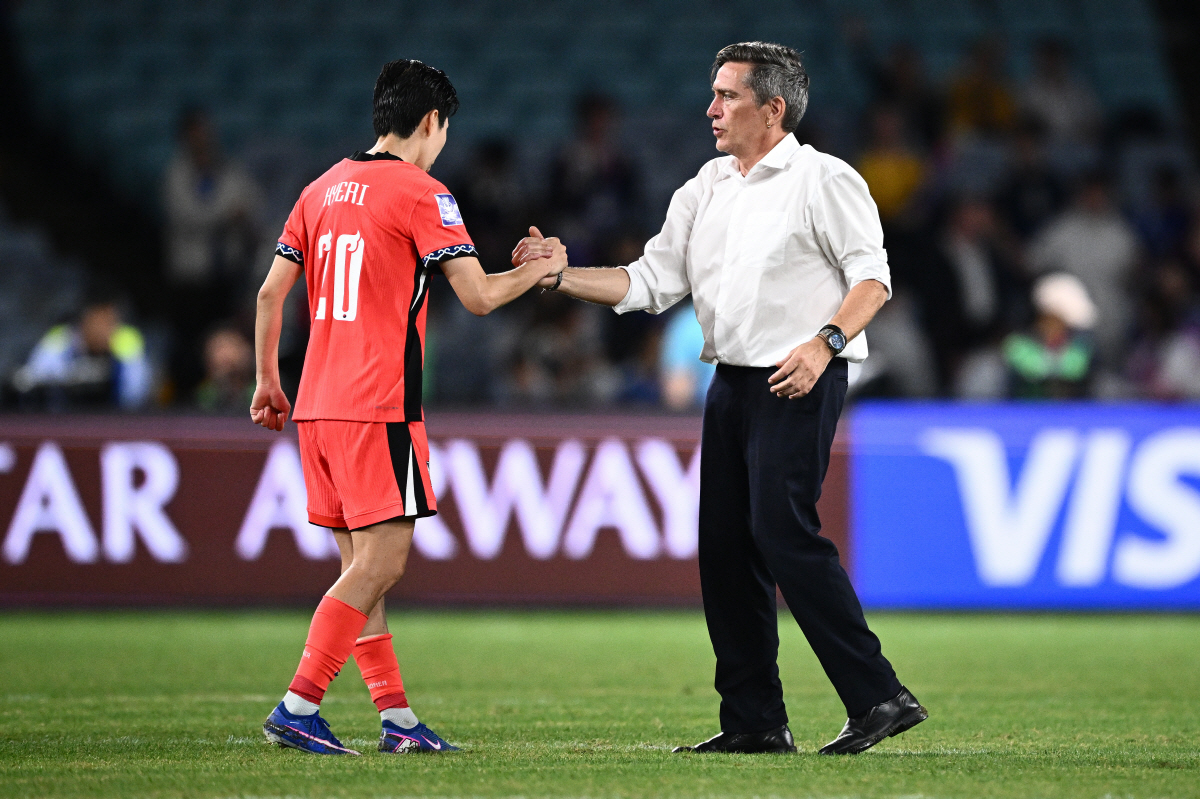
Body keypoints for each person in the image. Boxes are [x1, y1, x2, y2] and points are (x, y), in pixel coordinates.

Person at [513, 41, 925, 755]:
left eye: (727, 96)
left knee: (781, 529)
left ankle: (879, 694)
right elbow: (649, 281)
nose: (711, 109)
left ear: (773, 108)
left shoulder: (825, 179)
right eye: (713, 94)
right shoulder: (705, 186)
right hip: (731, 381)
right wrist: (561, 275)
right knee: (727, 550)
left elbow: (873, 279)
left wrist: (823, 342)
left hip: (799, 374)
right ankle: (755, 721)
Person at [250, 59, 565, 756]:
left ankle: (397, 721)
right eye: (445, 130)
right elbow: (479, 297)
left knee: (362, 572)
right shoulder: (424, 193)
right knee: (381, 564)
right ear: (432, 122)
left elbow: (272, 294)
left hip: (316, 407)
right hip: (378, 404)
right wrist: (540, 270)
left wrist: (269, 381)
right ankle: (299, 703)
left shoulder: (320, 189)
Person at [164, 109, 263, 397]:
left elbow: (251, 201)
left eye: (205, 133)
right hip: (189, 278)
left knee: (225, 340)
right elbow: (186, 215)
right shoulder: (176, 174)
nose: (202, 139)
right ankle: (187, 399)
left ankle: (226, 397)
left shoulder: (227, 169)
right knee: (189, 344)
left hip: (225, 275)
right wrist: (226, 212)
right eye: (195, 134)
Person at [12, 295, 150, 411]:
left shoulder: (126, 339)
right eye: (100, 321)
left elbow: (136, 394)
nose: (105, 329)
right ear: (85, 320)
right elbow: (35, 383)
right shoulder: (59, 339)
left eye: (111, 322)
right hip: (63, 420)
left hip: (114, 421)